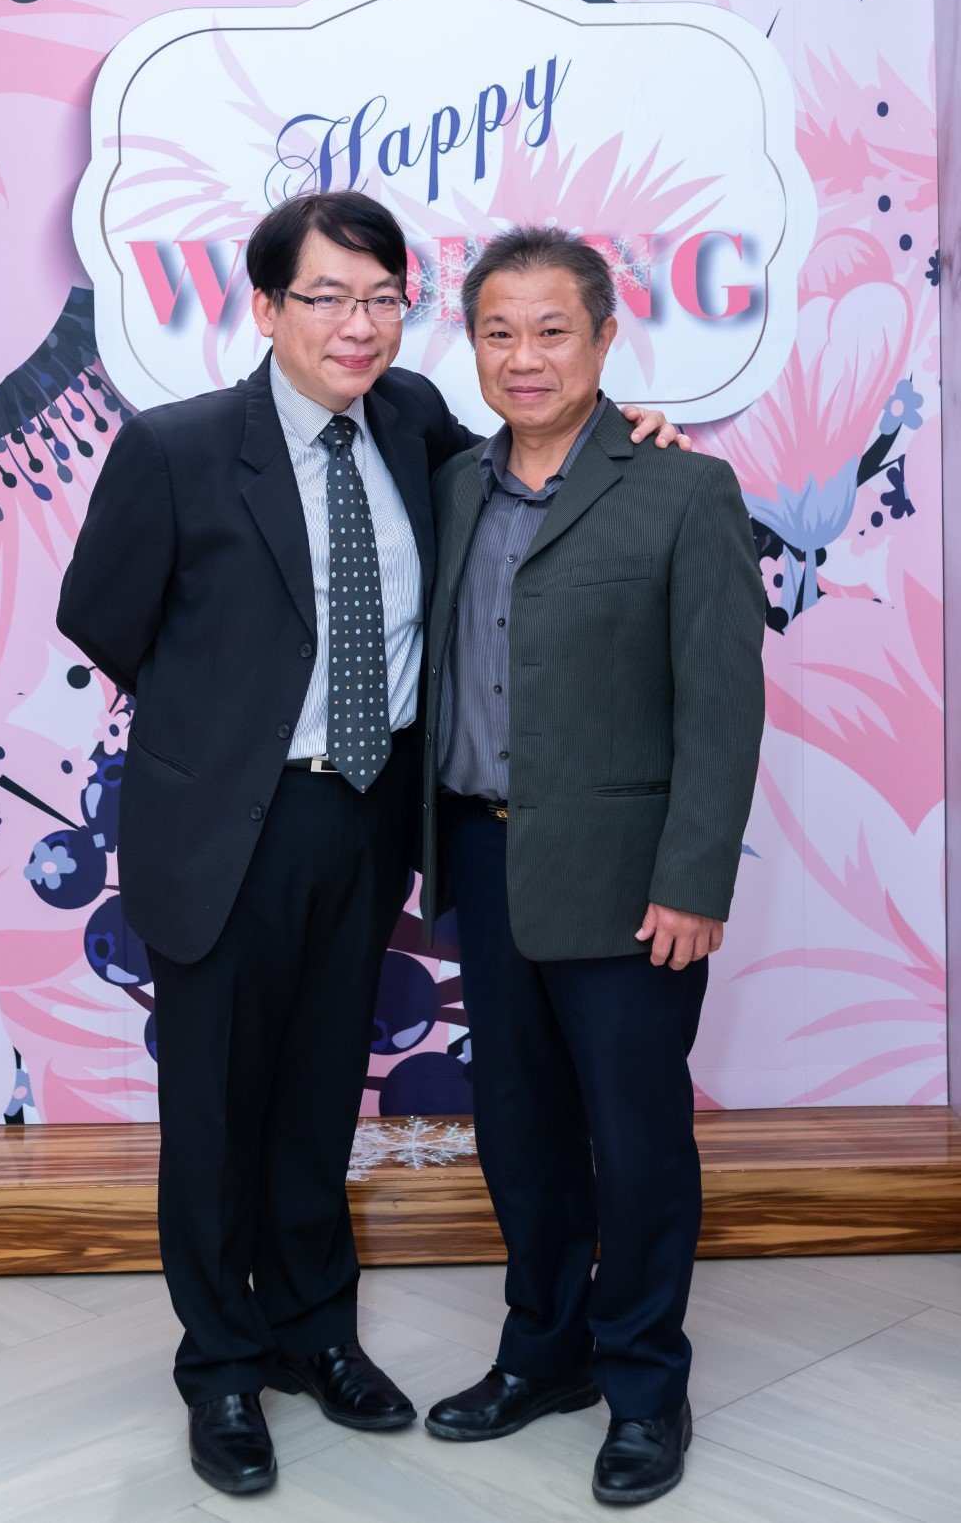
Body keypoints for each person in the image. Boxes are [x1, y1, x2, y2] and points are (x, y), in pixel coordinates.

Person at [56, 193, 686, 1498]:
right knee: (215, 1112)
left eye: (383, 298)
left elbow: (543, 461)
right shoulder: (178, 448)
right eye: (328, 297)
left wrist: (635, 432)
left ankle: (314, 1332)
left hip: (367, 814)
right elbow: (103, 616)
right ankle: (222, 1368)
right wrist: (227, 723)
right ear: (266, 306)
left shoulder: (411, 421)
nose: (359, 324)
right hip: (226, 824)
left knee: (316, 1096)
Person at [420, 226, 765, 1508]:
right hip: (485, 854)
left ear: (607, 338)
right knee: (520, 1132)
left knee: (636, 1139)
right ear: (472, 344)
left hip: (631, 880)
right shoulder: (452, 486)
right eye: (499, 331)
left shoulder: (683, 489)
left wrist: (695, 879)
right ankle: (545, 1352)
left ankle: (647, 1385)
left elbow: (722, 704)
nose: (526, 356)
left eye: (553, 330)